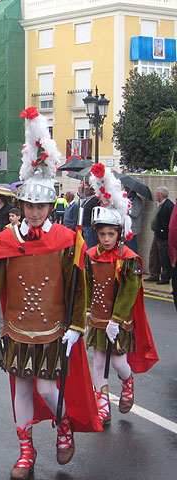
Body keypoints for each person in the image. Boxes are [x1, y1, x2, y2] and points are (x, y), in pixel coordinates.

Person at [0, 108, 100, 480]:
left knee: (49, 388)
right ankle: (26, 450)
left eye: (42, 206)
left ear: (51, 206)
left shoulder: (66, 240)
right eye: (30, 205)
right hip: (17, 329)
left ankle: (63, 425)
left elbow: (78, 289)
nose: (37, 211)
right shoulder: (7, 240)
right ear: (21, 206)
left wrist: (77, 326)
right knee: (22, 389)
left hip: (53, 330)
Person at [84, 163, 158, 426]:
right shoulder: (91, 255)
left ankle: (127, 382)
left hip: (118, 321)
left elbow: (129, 290)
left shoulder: (129, 258)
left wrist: (117, 319)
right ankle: (102, 404)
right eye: (102, 234)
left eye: (111, 234)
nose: (106, 239)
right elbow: (88, 283)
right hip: (98, 318)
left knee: (117, 363)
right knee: (98, 360)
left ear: (119, 234)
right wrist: (88, 310)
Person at [145, 186, 173, 284]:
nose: (155, 195)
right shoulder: (160, 205)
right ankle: (154, 275)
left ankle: (165, 277)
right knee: (154, 255)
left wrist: (162, 232)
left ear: (160, 195)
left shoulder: (168, 206)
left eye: (157, 193)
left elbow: (169, 222)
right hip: (157, 234)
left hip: (163, 236)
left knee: (164, 257)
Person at [81, 184, 99, 249]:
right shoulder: (86, 200)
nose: (85, 191)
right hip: (84, 225)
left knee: (90, 245)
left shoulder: (95, 200)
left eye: (86, 189)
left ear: (92, 191)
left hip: (89, 226)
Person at [124, 188, 142, 253]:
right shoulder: (125, 199)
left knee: (132, 247)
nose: (125, 191)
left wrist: (127, 208)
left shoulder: (138, 201)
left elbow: (135, 213)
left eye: (126, 190)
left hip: (133, 229)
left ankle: (133, 261)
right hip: (125, 228)